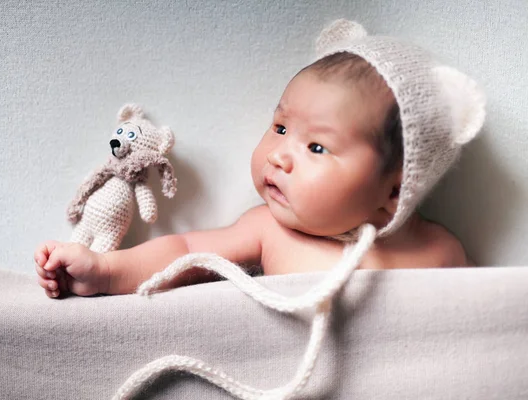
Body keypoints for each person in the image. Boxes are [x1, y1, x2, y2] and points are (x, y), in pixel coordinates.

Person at [34, 19, 485, 299]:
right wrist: (106, 271)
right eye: (282, 128)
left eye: (316, 147)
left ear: (394, 191)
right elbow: (186, 252)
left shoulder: (440, 252)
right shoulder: (270, 230)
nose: (280, 156)